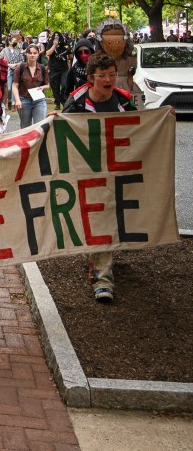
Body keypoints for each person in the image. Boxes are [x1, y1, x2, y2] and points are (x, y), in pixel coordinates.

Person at [59, 51, 138, 302]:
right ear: (91, 77)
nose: (108, 79)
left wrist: (163, 119)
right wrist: (55, 122)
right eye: (103, 75)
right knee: (98, 221)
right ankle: (102, 280)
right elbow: (63, 133)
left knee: (110, 219)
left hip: (117, 171)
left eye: (112, 74)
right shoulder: (77, 102)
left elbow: (141, 126)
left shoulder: (123, 101)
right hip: (87, 173)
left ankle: (103, 256)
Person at [11, 45, 50, 128]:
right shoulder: (20, 67)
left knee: (40, 126)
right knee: (26, 127)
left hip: (39, 100)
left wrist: (43, 87)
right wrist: (17, 100)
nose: (32, 55)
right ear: (26, 54)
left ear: (38, 54)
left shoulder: (42, 68)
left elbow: (47, 85)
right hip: (24, 100)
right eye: (30, 53)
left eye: (35, 53)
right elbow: (14, 86)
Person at [44, 31, 72, 109]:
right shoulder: (50, 43)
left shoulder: (64, 44)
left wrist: (69, 50)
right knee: (55, 87)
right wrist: (54, 45)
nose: (56, 37)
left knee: (65, 85)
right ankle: (57, 103)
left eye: (58, 36)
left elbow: (70, 55)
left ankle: (63, 99)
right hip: (53, 69)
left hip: (64, 68)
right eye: (55, 36)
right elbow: (48, 53)